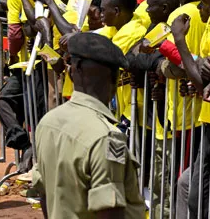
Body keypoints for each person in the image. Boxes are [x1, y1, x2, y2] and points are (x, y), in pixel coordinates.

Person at [32, 32, 145, 219]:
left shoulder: (48, 123)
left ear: (71, 71)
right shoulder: (106, 136)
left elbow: (43, 191)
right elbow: (109, 210)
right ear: (115, 79)